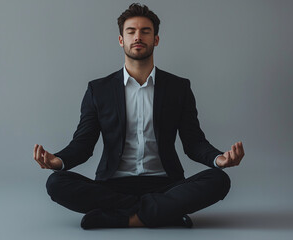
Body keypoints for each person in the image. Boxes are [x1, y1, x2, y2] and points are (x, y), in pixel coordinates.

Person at [33, 3, 244, 229]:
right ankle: (162, 213)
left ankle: (119, 217)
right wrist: (58, 160)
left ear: (156, 39)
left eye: (145, 31)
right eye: (131, 31)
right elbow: (83, 144)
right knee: (56, 182)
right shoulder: (99, 90)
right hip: (112, 185)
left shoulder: (178, 87)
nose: (138, 36)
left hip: (166, 184)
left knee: (219, 180)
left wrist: (217, 158)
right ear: (121, 40)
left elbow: (193, 142)